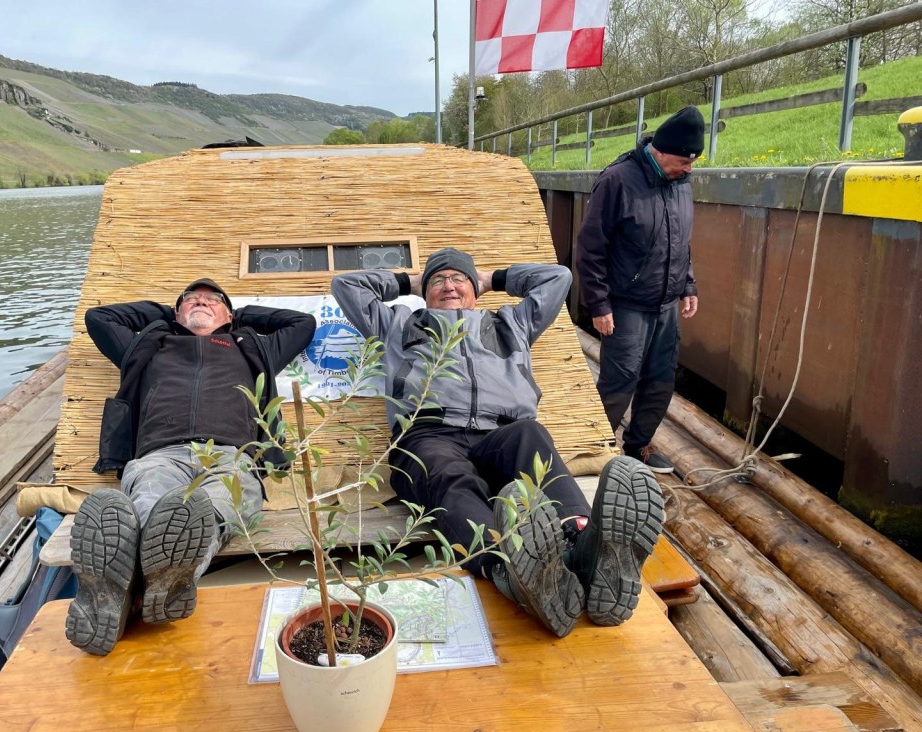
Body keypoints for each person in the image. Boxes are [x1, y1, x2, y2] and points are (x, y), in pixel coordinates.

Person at [332, 248, 664, 638]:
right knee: (445, 473)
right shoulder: (400, 323)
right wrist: (411, 281)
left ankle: (584, 544)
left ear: (475, 290)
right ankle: (510, 569)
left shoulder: (511, 324)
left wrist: (494, 279)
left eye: (459, 279)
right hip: (430, 433)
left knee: (531, 435)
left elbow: (558, 278)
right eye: (439, 280)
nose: (449, 285)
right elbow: (346, 285)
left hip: (502, 433)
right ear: (424, 293)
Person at [66, 278, 315, 655]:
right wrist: (166, 313)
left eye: (212, 300)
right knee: (150, 499)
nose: (201, 302)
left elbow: (302, 324)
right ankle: (163, 583)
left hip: (232, 455)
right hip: (160, 453)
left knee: (217, 505)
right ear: (177, 311)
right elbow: (99, 318)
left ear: (228, 314)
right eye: (191, 300)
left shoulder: (252, 346)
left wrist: (238, 315)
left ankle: (123, 594)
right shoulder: (149, 344)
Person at [575, 105, 704, 474]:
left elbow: (680, 241)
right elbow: (590, 248)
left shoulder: (680, 183)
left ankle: (639, 445)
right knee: (620, 380)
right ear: (660, 152)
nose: (689, 169)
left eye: (693, 162)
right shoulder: (617, 181)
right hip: (626, 304)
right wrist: (599, 305)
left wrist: (687, 284)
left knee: (661, 379)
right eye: (684, 161)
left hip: (665, 304)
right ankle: (598, 447)